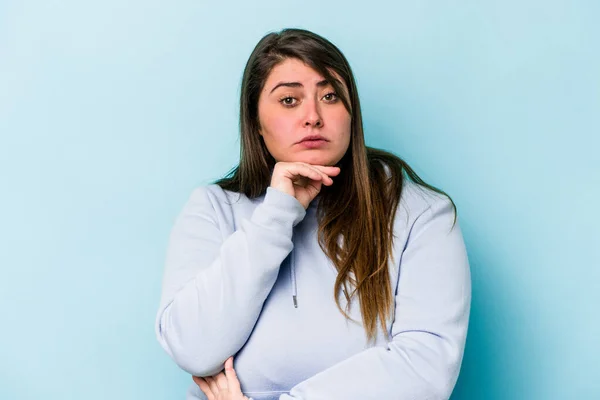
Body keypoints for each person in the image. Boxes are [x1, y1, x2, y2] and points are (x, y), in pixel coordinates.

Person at [154, 28, 472, 400]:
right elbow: (193, 348)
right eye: (289, 100)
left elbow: (427, 366)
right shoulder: (213, 208)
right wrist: (277, 214)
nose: (313, 116)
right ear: (256, 121)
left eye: (331, 96)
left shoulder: (421, 214)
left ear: (352, 115)